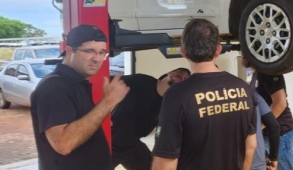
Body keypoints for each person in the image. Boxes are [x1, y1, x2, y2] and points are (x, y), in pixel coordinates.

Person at [152, 18, 258, 170]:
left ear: (183, 52)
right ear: (218, 50)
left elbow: (164, 163)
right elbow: (251, 146)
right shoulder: (243, 89)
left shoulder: (177, 95)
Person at [30, 24, 130, 170]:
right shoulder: (55, 87)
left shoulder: (76, 83)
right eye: (90, 51)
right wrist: (108, 101)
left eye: (102, 52)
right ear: (70, 51)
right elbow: (63, 144)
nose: (97, 59)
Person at [111, 68, 191, 170]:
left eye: (185, 78)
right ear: (169, 72)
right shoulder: (142, 80)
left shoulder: (170, 103)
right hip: (111, 143)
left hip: (132, 145)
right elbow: (107, 82)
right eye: (179, 74)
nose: (182, 78)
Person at [242, 56, 293, 170]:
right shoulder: (256, 74)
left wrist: (258, 127)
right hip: (268, 133)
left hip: (281, 133)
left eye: (246, 53)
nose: (243, 55)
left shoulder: (268, 73)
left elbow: (280, 104)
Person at [251, 91, 280, 170]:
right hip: (255, 162)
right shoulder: (252, 93)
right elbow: (274, 126)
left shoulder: (214, 95)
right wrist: (273, 158)